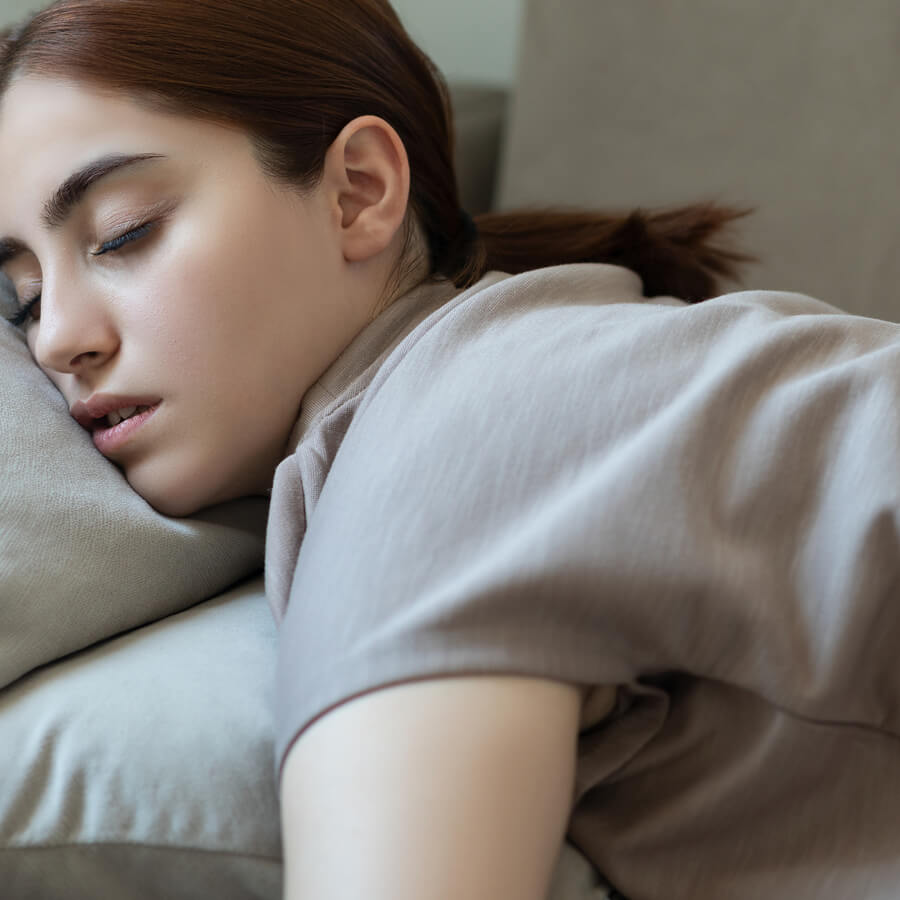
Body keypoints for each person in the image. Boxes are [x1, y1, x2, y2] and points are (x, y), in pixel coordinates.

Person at [2, 2, 900, 899]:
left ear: (358, 191)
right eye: (25, 297)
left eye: (124, 233)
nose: (54, 342)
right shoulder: (528, 361)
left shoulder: (446, 440)